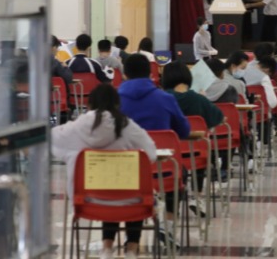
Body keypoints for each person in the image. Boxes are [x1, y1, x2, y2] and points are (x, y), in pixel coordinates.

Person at [51, 84, 156, 259]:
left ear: (89, 104)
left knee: (105, 186)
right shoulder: (128, 126)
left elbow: (52, 139)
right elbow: (151, 154)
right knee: (126, 185)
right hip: (132, 202)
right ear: (117, 104)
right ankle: (132, 249)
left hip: (87, 201)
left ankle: (107, 249)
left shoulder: (77, 127)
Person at [117, 54, 190, 246]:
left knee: (135, 186)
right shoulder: (166, 98)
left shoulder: (114, 100)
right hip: (161, 171)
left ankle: (131, 241)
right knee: (179, 173)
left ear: (124, 74)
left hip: (123, 170)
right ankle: (168, 225)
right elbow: (184, 131)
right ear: (150, 73)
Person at [162, 61, 224, 216]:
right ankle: (197, 196)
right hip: (195, 155)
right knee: (199, 148)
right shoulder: (198, 99)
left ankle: (169, 206)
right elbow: (219, 118)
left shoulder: (161, 98)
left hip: (168, 156)